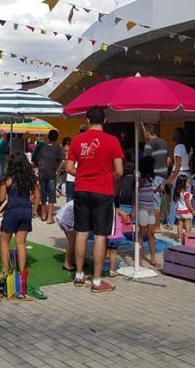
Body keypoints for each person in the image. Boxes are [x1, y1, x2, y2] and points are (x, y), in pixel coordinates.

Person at [66, 106, 124, 293]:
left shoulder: (77, 140)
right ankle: (97, 281)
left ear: (87, 120)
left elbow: (68, 167)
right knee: (100, 235)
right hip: (103, 191)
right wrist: (106, 177)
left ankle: (79, 275)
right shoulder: (112, 141)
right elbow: (120, 171)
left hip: (81, 189)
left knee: (81, 232)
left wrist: (82, 174)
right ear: (105, 120)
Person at [0, 153, 37, 275]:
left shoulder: (7, 179)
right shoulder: (30, 177)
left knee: (4, 242)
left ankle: (5, 271)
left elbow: (2, 198)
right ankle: (22, 271)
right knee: (21, 243)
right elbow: (37, 195)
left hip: (13, 211)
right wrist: (34, 210)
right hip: (26, 211)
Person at [143, 124, 169, 232]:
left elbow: (147, 161)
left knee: (154, 202)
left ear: (148, 133)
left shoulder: (149, 144)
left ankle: (156, 226)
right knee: (158, 199)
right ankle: (156, 225)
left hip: (154, 175)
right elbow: (168, 159)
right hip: (163, 174)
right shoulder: (164, 142)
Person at [36, 129, 65, 225]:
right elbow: (63, 160)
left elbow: (37, 158)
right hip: (52, 173)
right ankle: (49, 217)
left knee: (43, 193)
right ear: (56, 138)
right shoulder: (58, 148)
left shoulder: (42, 147)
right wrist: (58, 170)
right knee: (52, 195)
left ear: (48, 137)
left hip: (42, 173)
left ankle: (43, 214)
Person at [135, 155, 159, 267]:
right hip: (142, 207)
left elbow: (150, 189)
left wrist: (157, 189)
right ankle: (139, 258)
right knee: (141, 233)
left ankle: (153, 258)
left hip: (150, 206)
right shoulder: (139, 175)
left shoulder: (150, 176)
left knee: (151, 233)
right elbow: (135, 189)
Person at [167, 127, 192, 229]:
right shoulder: (189, 147)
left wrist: (171, 178)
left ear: (178, 135)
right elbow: (190, 164)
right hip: (187, 174)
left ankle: (170, 223)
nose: (171, 135)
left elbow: (178, 165)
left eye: (173, 133)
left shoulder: (177, 147)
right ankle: (189, 222)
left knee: (174, 199)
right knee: (187, 199)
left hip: (178, 174)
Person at [173, 174, 195, 239]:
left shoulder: (177, 192)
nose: (189, 184)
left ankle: (180, 238)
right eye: (188, 182)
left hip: (179, 211)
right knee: (188, 225)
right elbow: (188, 204)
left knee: (180, 224)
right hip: (186, 211)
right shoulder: (186, 194)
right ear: (183, 184)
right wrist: (192, 211)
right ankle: (187, 238)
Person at [55, 200, 76, 272]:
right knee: (72, 241)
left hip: (62, 217)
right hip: (66, 219)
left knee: (73, 241)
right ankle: (67, 263)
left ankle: (72, 259)